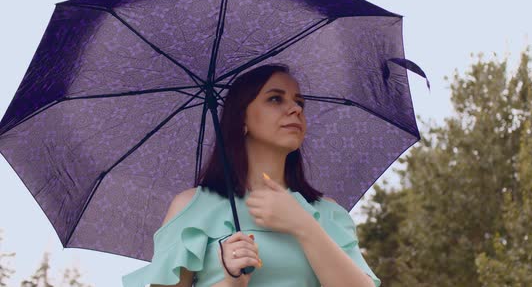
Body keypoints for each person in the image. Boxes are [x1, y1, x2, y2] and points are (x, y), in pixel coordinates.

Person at [122, 64, 381, 287]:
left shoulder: (326, 214)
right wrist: (230, 281)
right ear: (242, 118)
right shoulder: (192, 208)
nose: (295, 109)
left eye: (299, 102)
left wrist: (303, 226)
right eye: (275, 99)